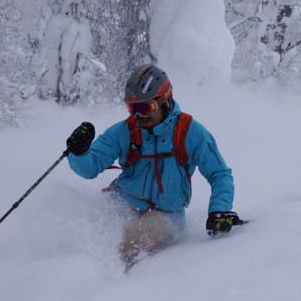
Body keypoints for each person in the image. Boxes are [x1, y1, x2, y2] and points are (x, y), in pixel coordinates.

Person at [65, 65, 241, 269]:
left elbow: (220, 174)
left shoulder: (190, 132)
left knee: (134, 239)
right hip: (121, 200)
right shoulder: (125, 130)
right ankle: (68, 276)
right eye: (132, 108)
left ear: (164, 100)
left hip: (165, 214)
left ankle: (107, 285)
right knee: (85, 230)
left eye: (145, 108)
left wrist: (219, 210)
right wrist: (80, 152)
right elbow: (90, 169)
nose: (138, 115)